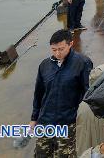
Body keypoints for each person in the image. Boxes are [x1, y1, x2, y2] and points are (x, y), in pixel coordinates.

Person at [32, 29, 93, 158]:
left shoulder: (83, 63)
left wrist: (81, 119)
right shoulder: (44, 65)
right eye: (54, 50)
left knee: (64, 155)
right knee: (41, 154)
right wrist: (34, 118)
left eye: (61, 49)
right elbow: (38, 93)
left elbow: (88, 93)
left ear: (70, 44)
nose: (57, 53)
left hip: (68, 122)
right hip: (45, 122)